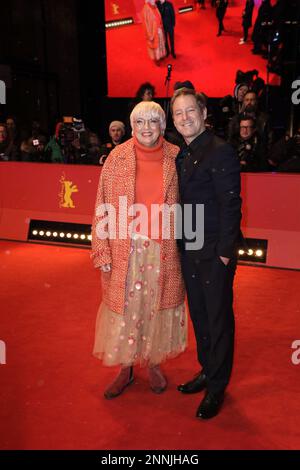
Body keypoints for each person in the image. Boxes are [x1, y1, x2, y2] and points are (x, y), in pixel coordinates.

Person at [91, 101, 187, 399]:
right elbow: (101, 205)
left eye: (153, 121)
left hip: (164, 248)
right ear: (132, 127)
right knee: (127, 311)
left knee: (157, 308)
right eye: (140, 122)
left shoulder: (177, 156)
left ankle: (154, 363)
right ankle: (126, 367)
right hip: (126, 248)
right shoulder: (117, 157)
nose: (147, 128)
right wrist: (101, 250)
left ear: (162, 125)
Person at [171, 87, 242, 419]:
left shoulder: (220, 151)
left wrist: (225, 254)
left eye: (190, 111)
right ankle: (206, 369)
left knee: (217, 319)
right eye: (178, 114)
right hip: (190, 247)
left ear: (202, 113)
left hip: (214, 252)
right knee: (199, 315)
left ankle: (217, 387)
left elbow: (230, 205)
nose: (185, 118)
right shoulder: (182, 154)